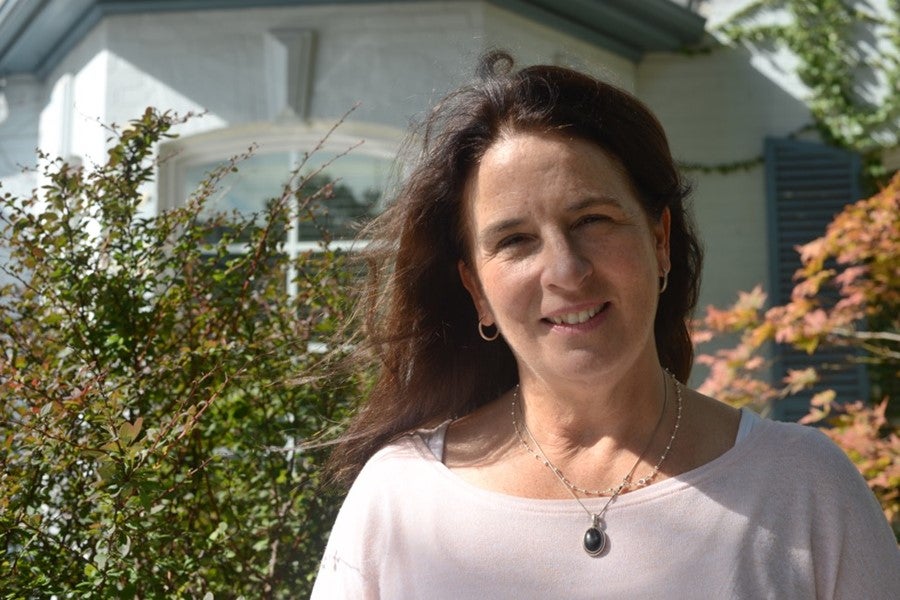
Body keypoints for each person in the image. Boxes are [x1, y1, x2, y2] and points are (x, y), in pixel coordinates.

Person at [311, 51, 900, 598]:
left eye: (592, 218)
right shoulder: (401, 501)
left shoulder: (804, 489)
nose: (565, 271)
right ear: (477, 291)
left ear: (661, 240)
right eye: (515, 240)